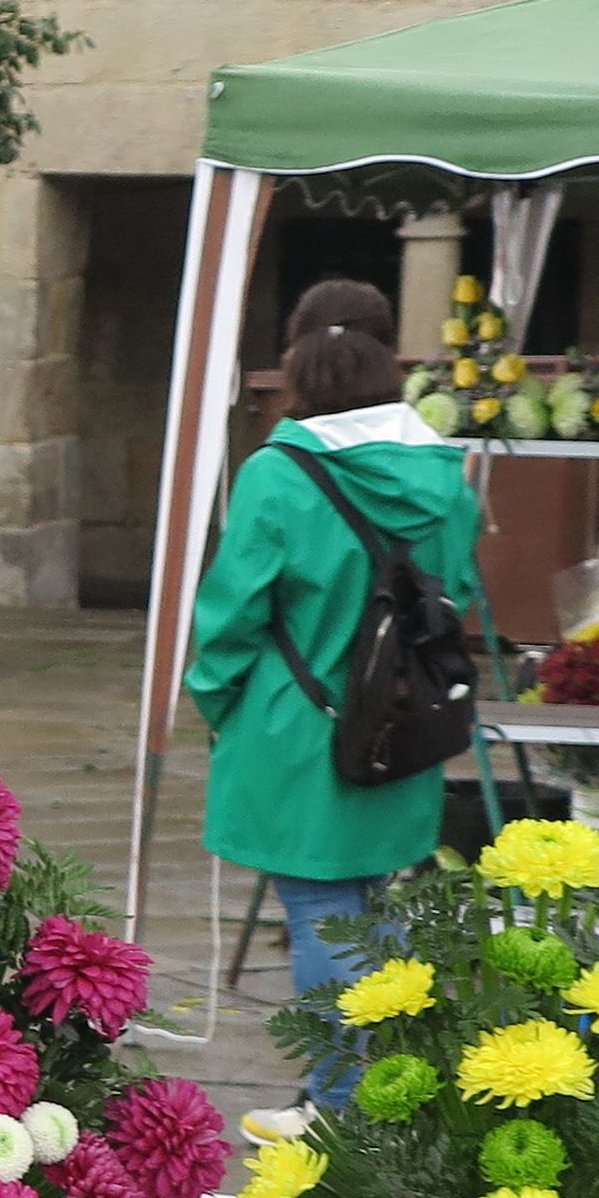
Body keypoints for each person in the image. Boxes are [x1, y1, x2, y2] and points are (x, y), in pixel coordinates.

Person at [184, 295, 479, 1087]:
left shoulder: (276, 475)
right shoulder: (448, 477)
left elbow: (230, 619)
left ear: (295, 364)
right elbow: (460, 595)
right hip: (406, 723)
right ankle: (381, 1092)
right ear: (393, 361)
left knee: (321, 913)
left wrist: (221, 708)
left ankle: (344, 1102)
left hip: (297, 727)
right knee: (373, 916)